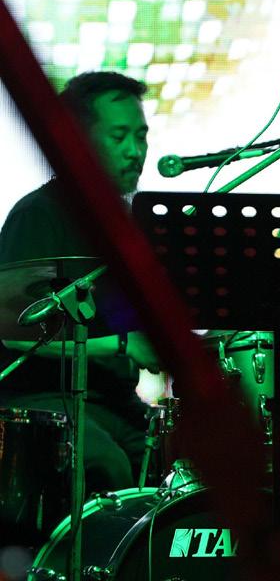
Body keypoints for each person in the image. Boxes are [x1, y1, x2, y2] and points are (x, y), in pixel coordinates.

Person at [0, 71, 161, 495]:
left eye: (141, 136)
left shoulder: (128, 230)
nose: (135, 151)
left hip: (115, 404)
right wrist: (124, 345)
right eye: (119, 136)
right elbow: (15, 331)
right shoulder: (39, 213)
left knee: (182, 470)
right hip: (42, 399)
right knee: (108, 466)